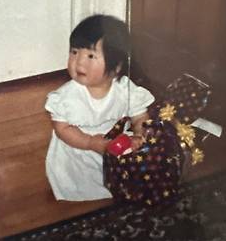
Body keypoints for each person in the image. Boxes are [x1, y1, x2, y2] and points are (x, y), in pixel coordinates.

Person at [45, 14, 154, 201]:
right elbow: (62, 129)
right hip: (79, 147)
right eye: (74, 52)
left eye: (90, 55)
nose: (79, 62)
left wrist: (138, 134)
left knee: (143, 166)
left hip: (116, 140)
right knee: (82, 181)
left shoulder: (125, 90)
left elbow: (139, 116)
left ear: (117, 66)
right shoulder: (66, 97)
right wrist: (90, 142)